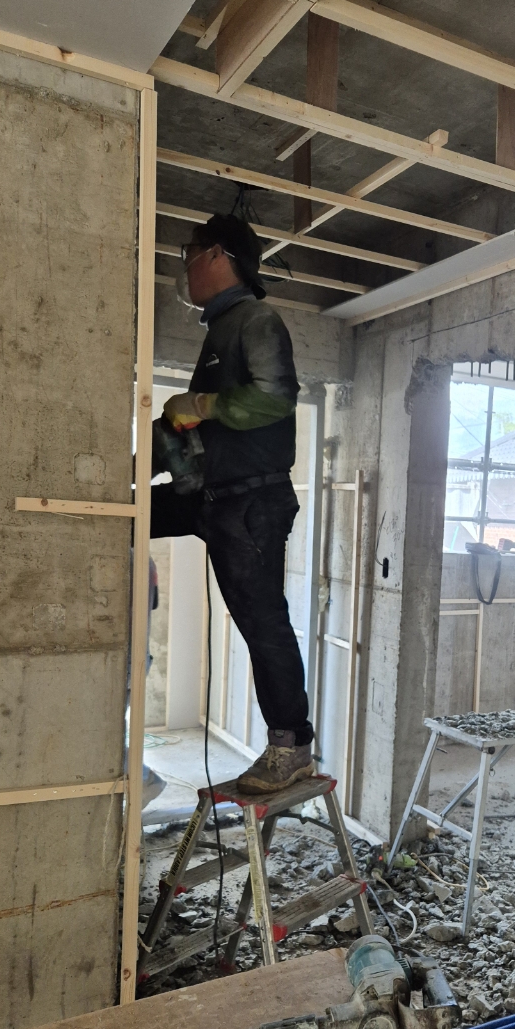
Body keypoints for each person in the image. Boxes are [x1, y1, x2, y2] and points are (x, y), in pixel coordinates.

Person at [152, 213, 314, 793]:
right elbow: (191, 430)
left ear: (219, 255)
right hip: (212, 495)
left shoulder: (256, 321)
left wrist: (202, 404)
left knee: (262, 621)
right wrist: (141, 464)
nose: (185, 267)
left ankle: (291, 746)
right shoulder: (220, 329)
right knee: (126, 517)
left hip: (252, 502)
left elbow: (274, 398)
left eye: (189, 253)